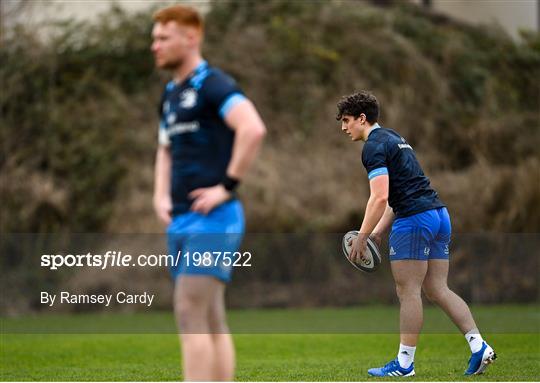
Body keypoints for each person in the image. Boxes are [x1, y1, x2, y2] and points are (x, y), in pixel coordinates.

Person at [336, 91, 496, 377]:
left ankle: (405, 364)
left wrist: (362, 236)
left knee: (408, 291)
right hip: (438, 215)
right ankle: (479, 346)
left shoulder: (372, 147)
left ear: (362, 118)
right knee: (437, 289)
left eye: (347, 120)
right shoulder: (394, 137)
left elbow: (380, 197)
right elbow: (401, 194)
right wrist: (377, 233)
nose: (344, 127)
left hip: (414, 221)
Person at [151, 5, 266, 381]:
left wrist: (226, 186)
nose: (155, 46)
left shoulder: (211, 84)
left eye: (163, 38)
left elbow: (252, 128)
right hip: (183, 217)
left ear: (191, 37)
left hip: (214, 218)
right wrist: (160, 195)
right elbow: (165, 149)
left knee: (189, 311)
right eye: (154, 38)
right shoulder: (170, 94)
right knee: (211, 317)